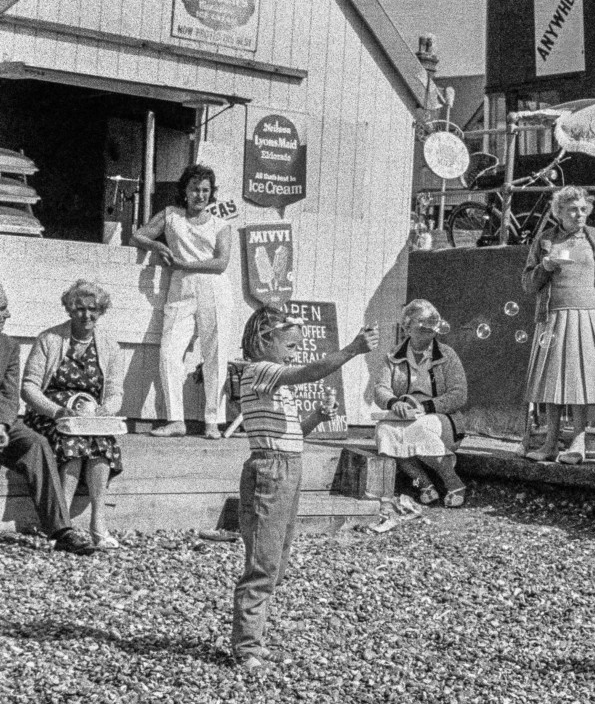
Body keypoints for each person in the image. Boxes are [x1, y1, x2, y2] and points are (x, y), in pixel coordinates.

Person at [231, 305, 378, 671]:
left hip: (288, 467)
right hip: (270, 469)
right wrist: (352, 350)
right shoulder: (259, 371)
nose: (296, 354)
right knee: (262, 562)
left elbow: (294, 434)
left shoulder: (272, 379)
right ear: (264, 340)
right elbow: (310, 373)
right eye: (291, 346)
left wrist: (318, 418)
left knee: (277, 560)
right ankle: (246, 645)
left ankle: (254, 637)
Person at [522, 187, 595, 465]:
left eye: (584, 209)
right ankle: (550, 443)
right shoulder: (545, 240)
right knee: (552, 380)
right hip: (553, 317)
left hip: (588, 316)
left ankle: (578, 441)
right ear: (558, 212)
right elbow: (528, 283)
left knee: (580, 380)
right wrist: (544, 267)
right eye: (573, 209)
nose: (579, 214)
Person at [130, 163, 234, 440]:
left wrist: (184, 263)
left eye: (205, 190)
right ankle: (176, 420)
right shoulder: (170, 216)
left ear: (211, 194)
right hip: (180, 290)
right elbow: (138, 235)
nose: (200, 195)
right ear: (184, 192)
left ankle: (213, 421)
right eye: (194, 189)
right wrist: (158, 245)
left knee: (216, 354)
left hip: (214, 289)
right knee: (168, 353)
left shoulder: (221, 225)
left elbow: (221, 262)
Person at [21, 279, 126, 549]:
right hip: (51, 415)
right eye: (79, 308)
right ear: (69, 309)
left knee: (102, 444)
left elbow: (115, 392)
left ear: (101, 311)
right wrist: (56, 411)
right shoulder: (50, 339)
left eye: (93, 309)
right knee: (73, 441)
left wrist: (106, 411)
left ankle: (98, 522)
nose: (86, 315)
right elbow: (29, 387)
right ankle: (63, 522)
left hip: (89, 417)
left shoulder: (110, 346)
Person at [0, 282, 97, 555]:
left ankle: (60, 529)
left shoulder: (8, 346)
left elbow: (8, 397)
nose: (7, 316)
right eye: (2, 309)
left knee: (36, 443)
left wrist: (3, 424)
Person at [373, 299, 468, 508]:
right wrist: (394, 402)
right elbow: (380, 389)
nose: (429, 329)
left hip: (443, 418)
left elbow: (459, 394)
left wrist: (426, 407)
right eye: (421, 325)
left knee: (420, 427)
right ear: (407, 328)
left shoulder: (447, 355)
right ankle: (424, 484)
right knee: (384, 431)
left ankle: (454, 483)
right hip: (407, 415)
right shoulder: (393, 356)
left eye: (432, 324)